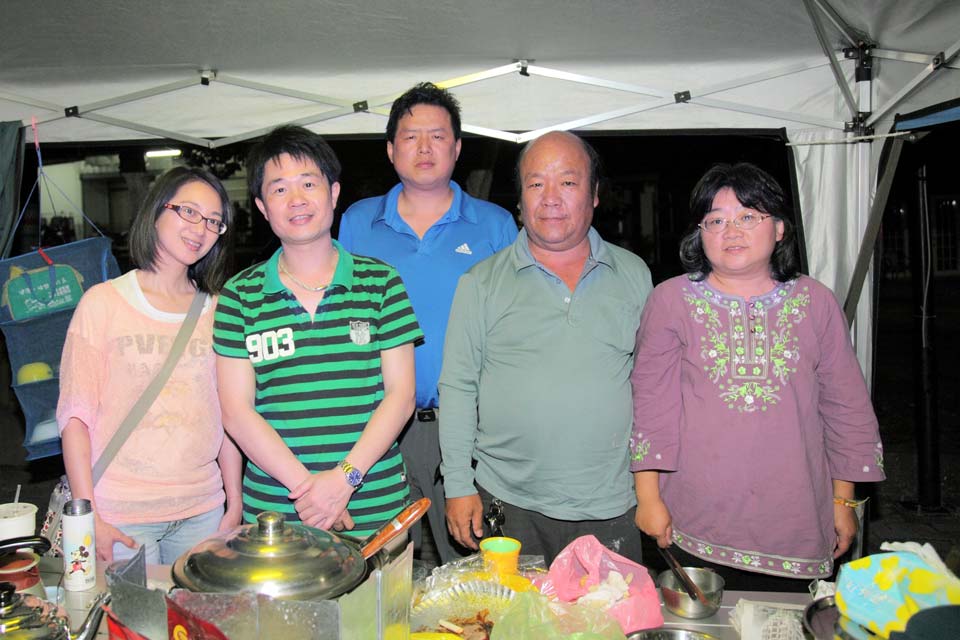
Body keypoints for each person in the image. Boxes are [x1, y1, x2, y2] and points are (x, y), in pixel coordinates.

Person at [631, 162, 885, 590]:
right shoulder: (670, 301)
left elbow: (845, 408)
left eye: (748, 216)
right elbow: (652, 407)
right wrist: (648, 498)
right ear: (700, 234)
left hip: (797, 519)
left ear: (780, 228)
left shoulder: (816, 303)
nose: (731, 231)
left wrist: (843, 502)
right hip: (694, 520)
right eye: (716, 220)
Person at [439, 131, 653, 564]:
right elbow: (458, 386)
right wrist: (459, 485)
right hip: (507, 502)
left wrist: (653, 492)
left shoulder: (634, 275)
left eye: (568, 182)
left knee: (607, 611)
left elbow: (652, 389)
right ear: (520, 199)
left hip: (610, 504)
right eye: (536, 183)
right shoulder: (481, 282)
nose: (550, 198)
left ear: (595, 194)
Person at [213, 125, 423, 538]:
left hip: (375, 506)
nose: (296, 199)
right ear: (262, 206)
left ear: (333, 192)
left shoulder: (381, 283)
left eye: (308, 183)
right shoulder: (238, 296)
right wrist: (312, 493)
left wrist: (343, 480)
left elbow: (401, 397)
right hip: (276, 514)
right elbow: (236, 411)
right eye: (279, 189)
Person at [339, 82, 517, 564]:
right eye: (411, 136)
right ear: (390, 149)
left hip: (466, 429)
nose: (424, 148)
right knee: (379, 569)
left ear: (457, 148)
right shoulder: (357, 222)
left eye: (437, 136)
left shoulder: (495, 225)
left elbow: (513, 331)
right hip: (376, 429)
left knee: (471, 570)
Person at [58, 166, 242, 564]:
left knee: (198, 607)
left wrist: (234, 502)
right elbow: (74, 417)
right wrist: (88, 514)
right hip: (120, 512)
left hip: (203, 510)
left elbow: (229, 414)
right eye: (189, 212)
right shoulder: (103, 303)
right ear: (156, 211)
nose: (201, 229)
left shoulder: (219, 309)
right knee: (132, 609)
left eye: (214, 221)